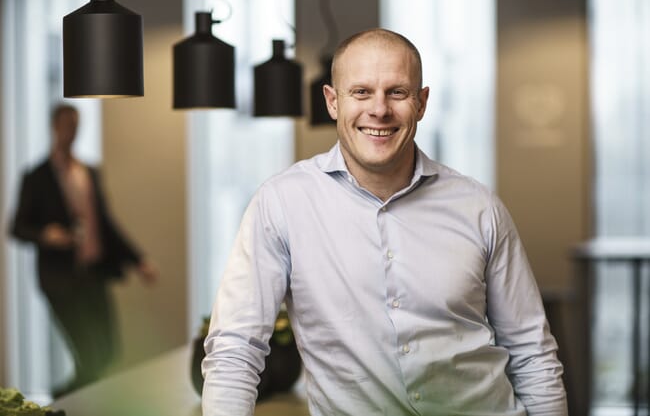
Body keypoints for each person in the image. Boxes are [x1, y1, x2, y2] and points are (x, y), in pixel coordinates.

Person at [202, 28, 568, 416]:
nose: (379, 109)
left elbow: (531, 351)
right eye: (361, 92)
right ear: (332, 102)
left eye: (397, 92)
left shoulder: (478, 207)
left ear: (422, 102)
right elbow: (235, 348)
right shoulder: (281, 204)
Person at [9, 104, 158, 395]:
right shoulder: (37, 177)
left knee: (108, 352)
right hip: (61, 280)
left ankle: (64, 401)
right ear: (54, 127)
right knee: (90, 357)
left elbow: (106, 225)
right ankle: (63, 402)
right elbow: (17, 227)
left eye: (76, 125)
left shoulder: (89, 172)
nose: (71, 132)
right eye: (66, 125)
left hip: (94, 276)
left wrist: (139, 259)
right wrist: (47, 235)